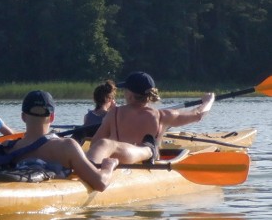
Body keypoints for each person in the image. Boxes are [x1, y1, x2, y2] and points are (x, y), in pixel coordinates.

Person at [0, 90, 118, 191]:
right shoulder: (67, 146)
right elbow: (100, 184)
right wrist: (108, 167)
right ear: (52, 118)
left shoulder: (6, 148)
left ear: (23, 117)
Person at [87, 71, 215, 165]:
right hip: (149, 166)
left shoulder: (113, 114)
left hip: (119, 164)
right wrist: (208, 101)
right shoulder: (163, 116)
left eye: (125, 90)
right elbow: (198, 114)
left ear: (130, 95)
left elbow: (95, 143)